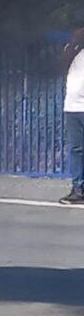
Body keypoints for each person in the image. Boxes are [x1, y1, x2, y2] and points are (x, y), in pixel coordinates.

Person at [61, 25, 84, 203]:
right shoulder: (72, 50)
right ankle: (78, 189)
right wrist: (74, 43)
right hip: (72, 107)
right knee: (76, 149)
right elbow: (60, 64)